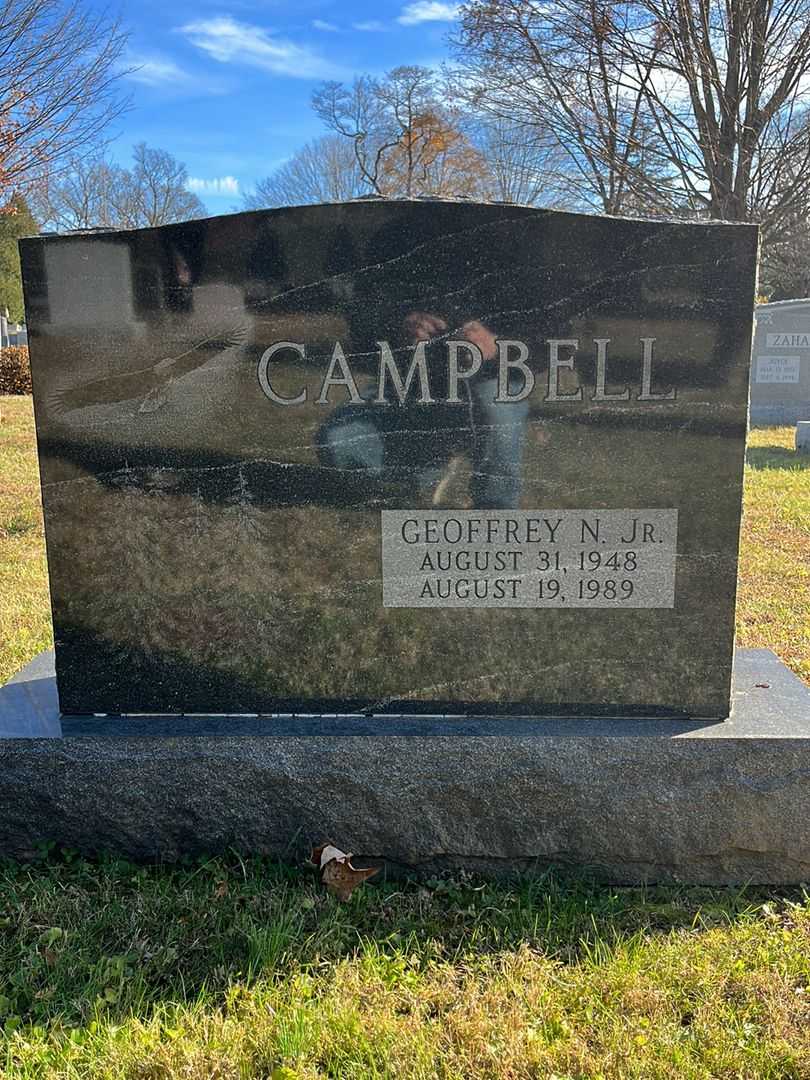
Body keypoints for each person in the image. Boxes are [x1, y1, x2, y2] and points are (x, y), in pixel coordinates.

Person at [316, 311, 530, 509]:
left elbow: (550, 340)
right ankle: (423, 471)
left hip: (491, 380)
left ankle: (495, 506)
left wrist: (496, 343)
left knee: (495, 410)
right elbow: (361, 328)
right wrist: (402, 323)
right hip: (411, 385)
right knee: (334, 439)